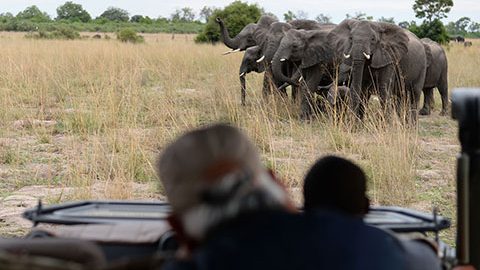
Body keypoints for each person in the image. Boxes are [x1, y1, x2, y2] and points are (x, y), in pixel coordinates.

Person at [303, 155, 442, 270]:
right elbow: (426, 260)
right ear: (366, 206)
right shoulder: (382, 248)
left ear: (305, 203)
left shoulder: (285, 244)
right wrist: (426, 245)